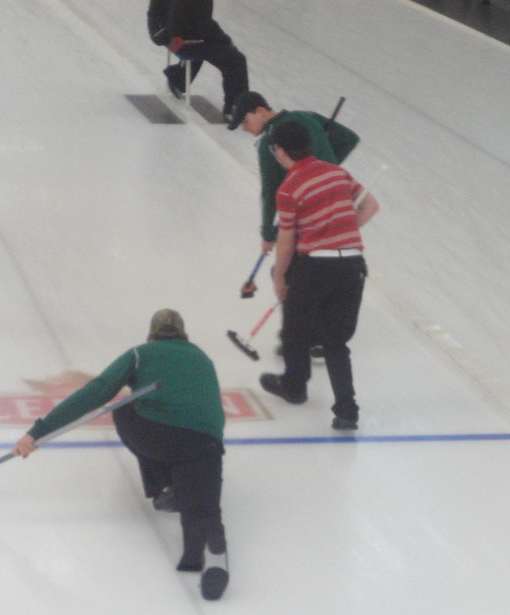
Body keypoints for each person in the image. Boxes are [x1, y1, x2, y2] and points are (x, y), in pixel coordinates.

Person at [13, 309, 230, 600]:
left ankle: (167, 486)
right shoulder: (203, 358)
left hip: (157, 435)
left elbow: (96, 392)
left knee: (125, 408)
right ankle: (205, 538)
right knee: (202, 504)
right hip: (206, 441)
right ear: (186, 337)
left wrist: (38, 431)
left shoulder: (141, 354)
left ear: (151, 336)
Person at [258, 120, 379, 431]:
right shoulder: (336, 172)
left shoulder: (288, 188)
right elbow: (370, 206)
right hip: (352, 265)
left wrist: (279, 278)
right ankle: (347, 410)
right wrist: (343, 230)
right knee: (335, 342)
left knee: (294, 330)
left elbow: (286, 241)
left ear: (279, 151)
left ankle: (294, 386)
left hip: (316, 268)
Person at [226, 91, 360, 255]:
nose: (245, 129)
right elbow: (349, 139)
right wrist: (327, 166)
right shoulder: (305, 116)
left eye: (245, 121)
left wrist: (267, 234)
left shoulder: (269, 142)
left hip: (307, 215)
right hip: (338, 202)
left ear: (260, 111)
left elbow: (270, 191)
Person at [147, 0, 248, 120]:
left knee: (211, 47)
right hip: (180, 39)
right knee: (236, 60)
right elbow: (204, 26)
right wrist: (226, 41)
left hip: (162, 31)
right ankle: (237, 106)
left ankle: (178, 79)